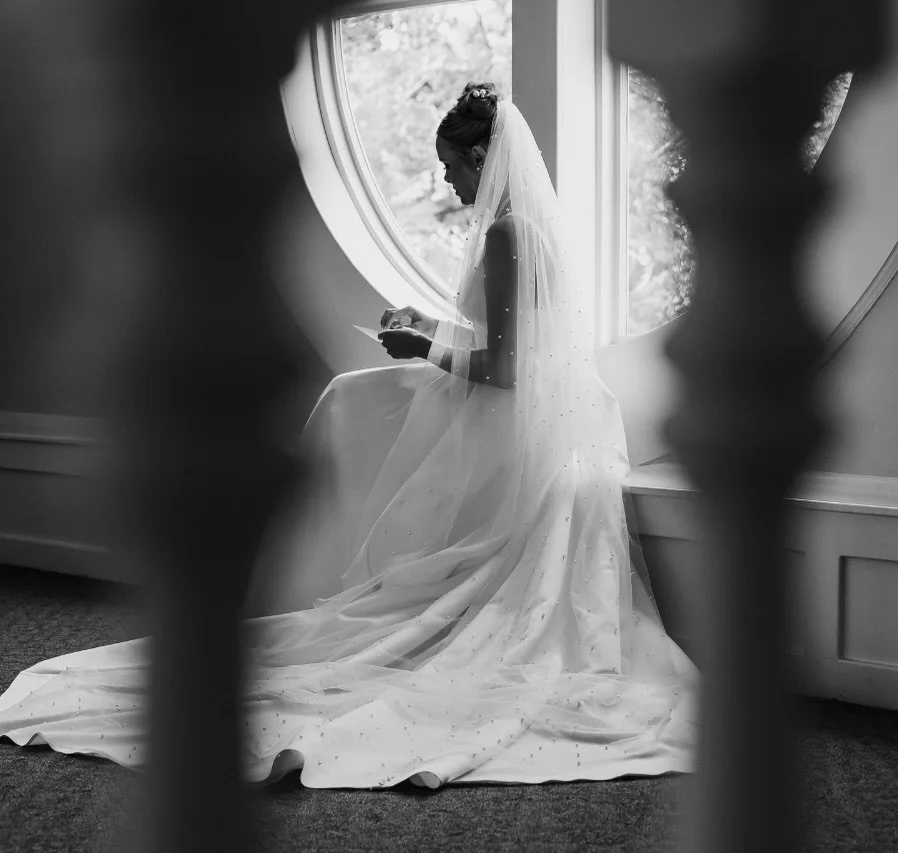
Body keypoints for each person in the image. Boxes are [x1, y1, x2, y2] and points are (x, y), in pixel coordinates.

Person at [0, 82, 697, 787]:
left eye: (452, 166)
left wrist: (423, 349)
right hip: (538, 421)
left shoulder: (505, 234)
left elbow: (512, 371)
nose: (448, 181)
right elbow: (514, 344)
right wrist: (426, 329)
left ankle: (315, 566)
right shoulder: (523, 229)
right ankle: (323, 562)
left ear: (482, 156)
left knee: (349, 400)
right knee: (352, 395)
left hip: (517, 430)